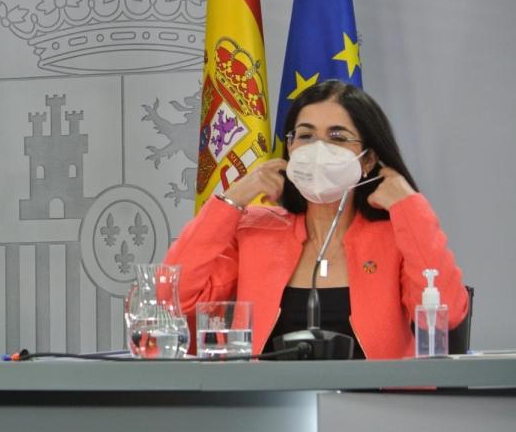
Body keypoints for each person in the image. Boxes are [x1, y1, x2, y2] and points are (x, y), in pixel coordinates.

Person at [165, 80, 467, 359]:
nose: (318, 149)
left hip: (380, 410)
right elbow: (171, 299)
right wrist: (232, 201)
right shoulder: (256, 230)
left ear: (368, 159)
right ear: (290, 148)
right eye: (306, 135)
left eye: (337, 137)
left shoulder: (396, 235)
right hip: (269, 408)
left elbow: (449, 312)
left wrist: (409, 207)